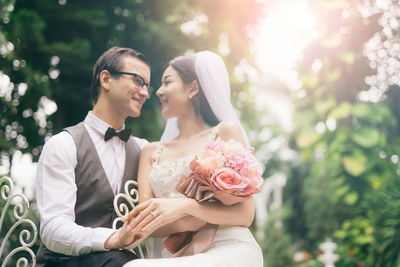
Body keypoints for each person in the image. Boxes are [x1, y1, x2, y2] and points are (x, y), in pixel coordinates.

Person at [123, 51, 263, 267]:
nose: (158, 91)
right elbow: (148, 224)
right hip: (180, 256)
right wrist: (196, 218)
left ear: (193, 88)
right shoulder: (150, 152)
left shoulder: (225, 133)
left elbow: (245, 215)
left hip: (230, 246)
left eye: (167, 82)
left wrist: (188, 207)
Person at [35, 46, 152, 267]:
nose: (145, 92)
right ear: (106, 79)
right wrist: (113, 239)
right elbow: (53, 228)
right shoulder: (63, 145)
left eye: (147, 85)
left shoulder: (144, 150)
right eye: (138, 80)